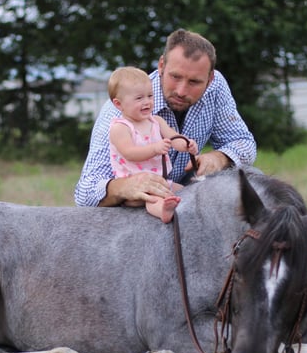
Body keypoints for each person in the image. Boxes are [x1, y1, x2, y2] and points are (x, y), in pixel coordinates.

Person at [74, 28, 257, 208]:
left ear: (209, 79)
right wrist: (124, 187)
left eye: (194, 82)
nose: (181, 91)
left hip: (180, 187)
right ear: (161, 65)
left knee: (254, 179)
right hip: (134, 206)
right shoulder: (122, 112)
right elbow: (85, 193)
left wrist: (220, 158)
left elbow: (244, 142)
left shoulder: (216, 87)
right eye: (175, 76)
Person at [107, 66, 199, 223]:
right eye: (139, 98)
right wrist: (155, 149)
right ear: (118, 104)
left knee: (185, 191)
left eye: (150, 96)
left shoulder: (155, 121)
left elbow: (173, 137)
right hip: (135, 186)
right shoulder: (120, 128)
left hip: (160, 182)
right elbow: (129, 152)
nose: (147, 102)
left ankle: (184, 210)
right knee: (154, 199)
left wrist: (186, 145)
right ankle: (163, 211)